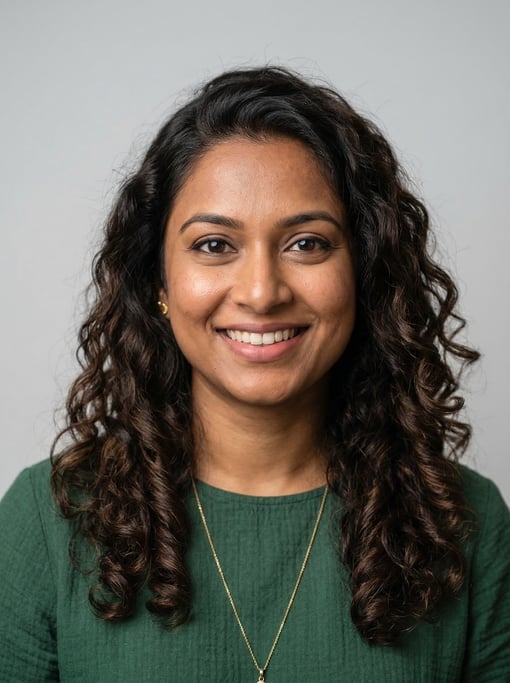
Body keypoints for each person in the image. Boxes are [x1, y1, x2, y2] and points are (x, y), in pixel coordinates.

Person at [1, 66, 509, 682]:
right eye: (215, 245)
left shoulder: (464, 523)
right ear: (159, 282)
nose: (262, 292)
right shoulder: (46, 520)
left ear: (363, 271)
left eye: (307, 243)